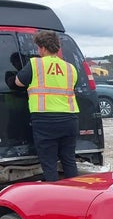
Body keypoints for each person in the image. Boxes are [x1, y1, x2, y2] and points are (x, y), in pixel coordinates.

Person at [15, 31, 79, 181]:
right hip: (70, 119)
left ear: (43, 48)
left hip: (46, 120)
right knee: (69, 160)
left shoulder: (36, 64)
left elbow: (18, 82)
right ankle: (75, 194)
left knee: (49, 163)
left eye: (38, 48)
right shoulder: (70, 68)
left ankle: (55, 197)